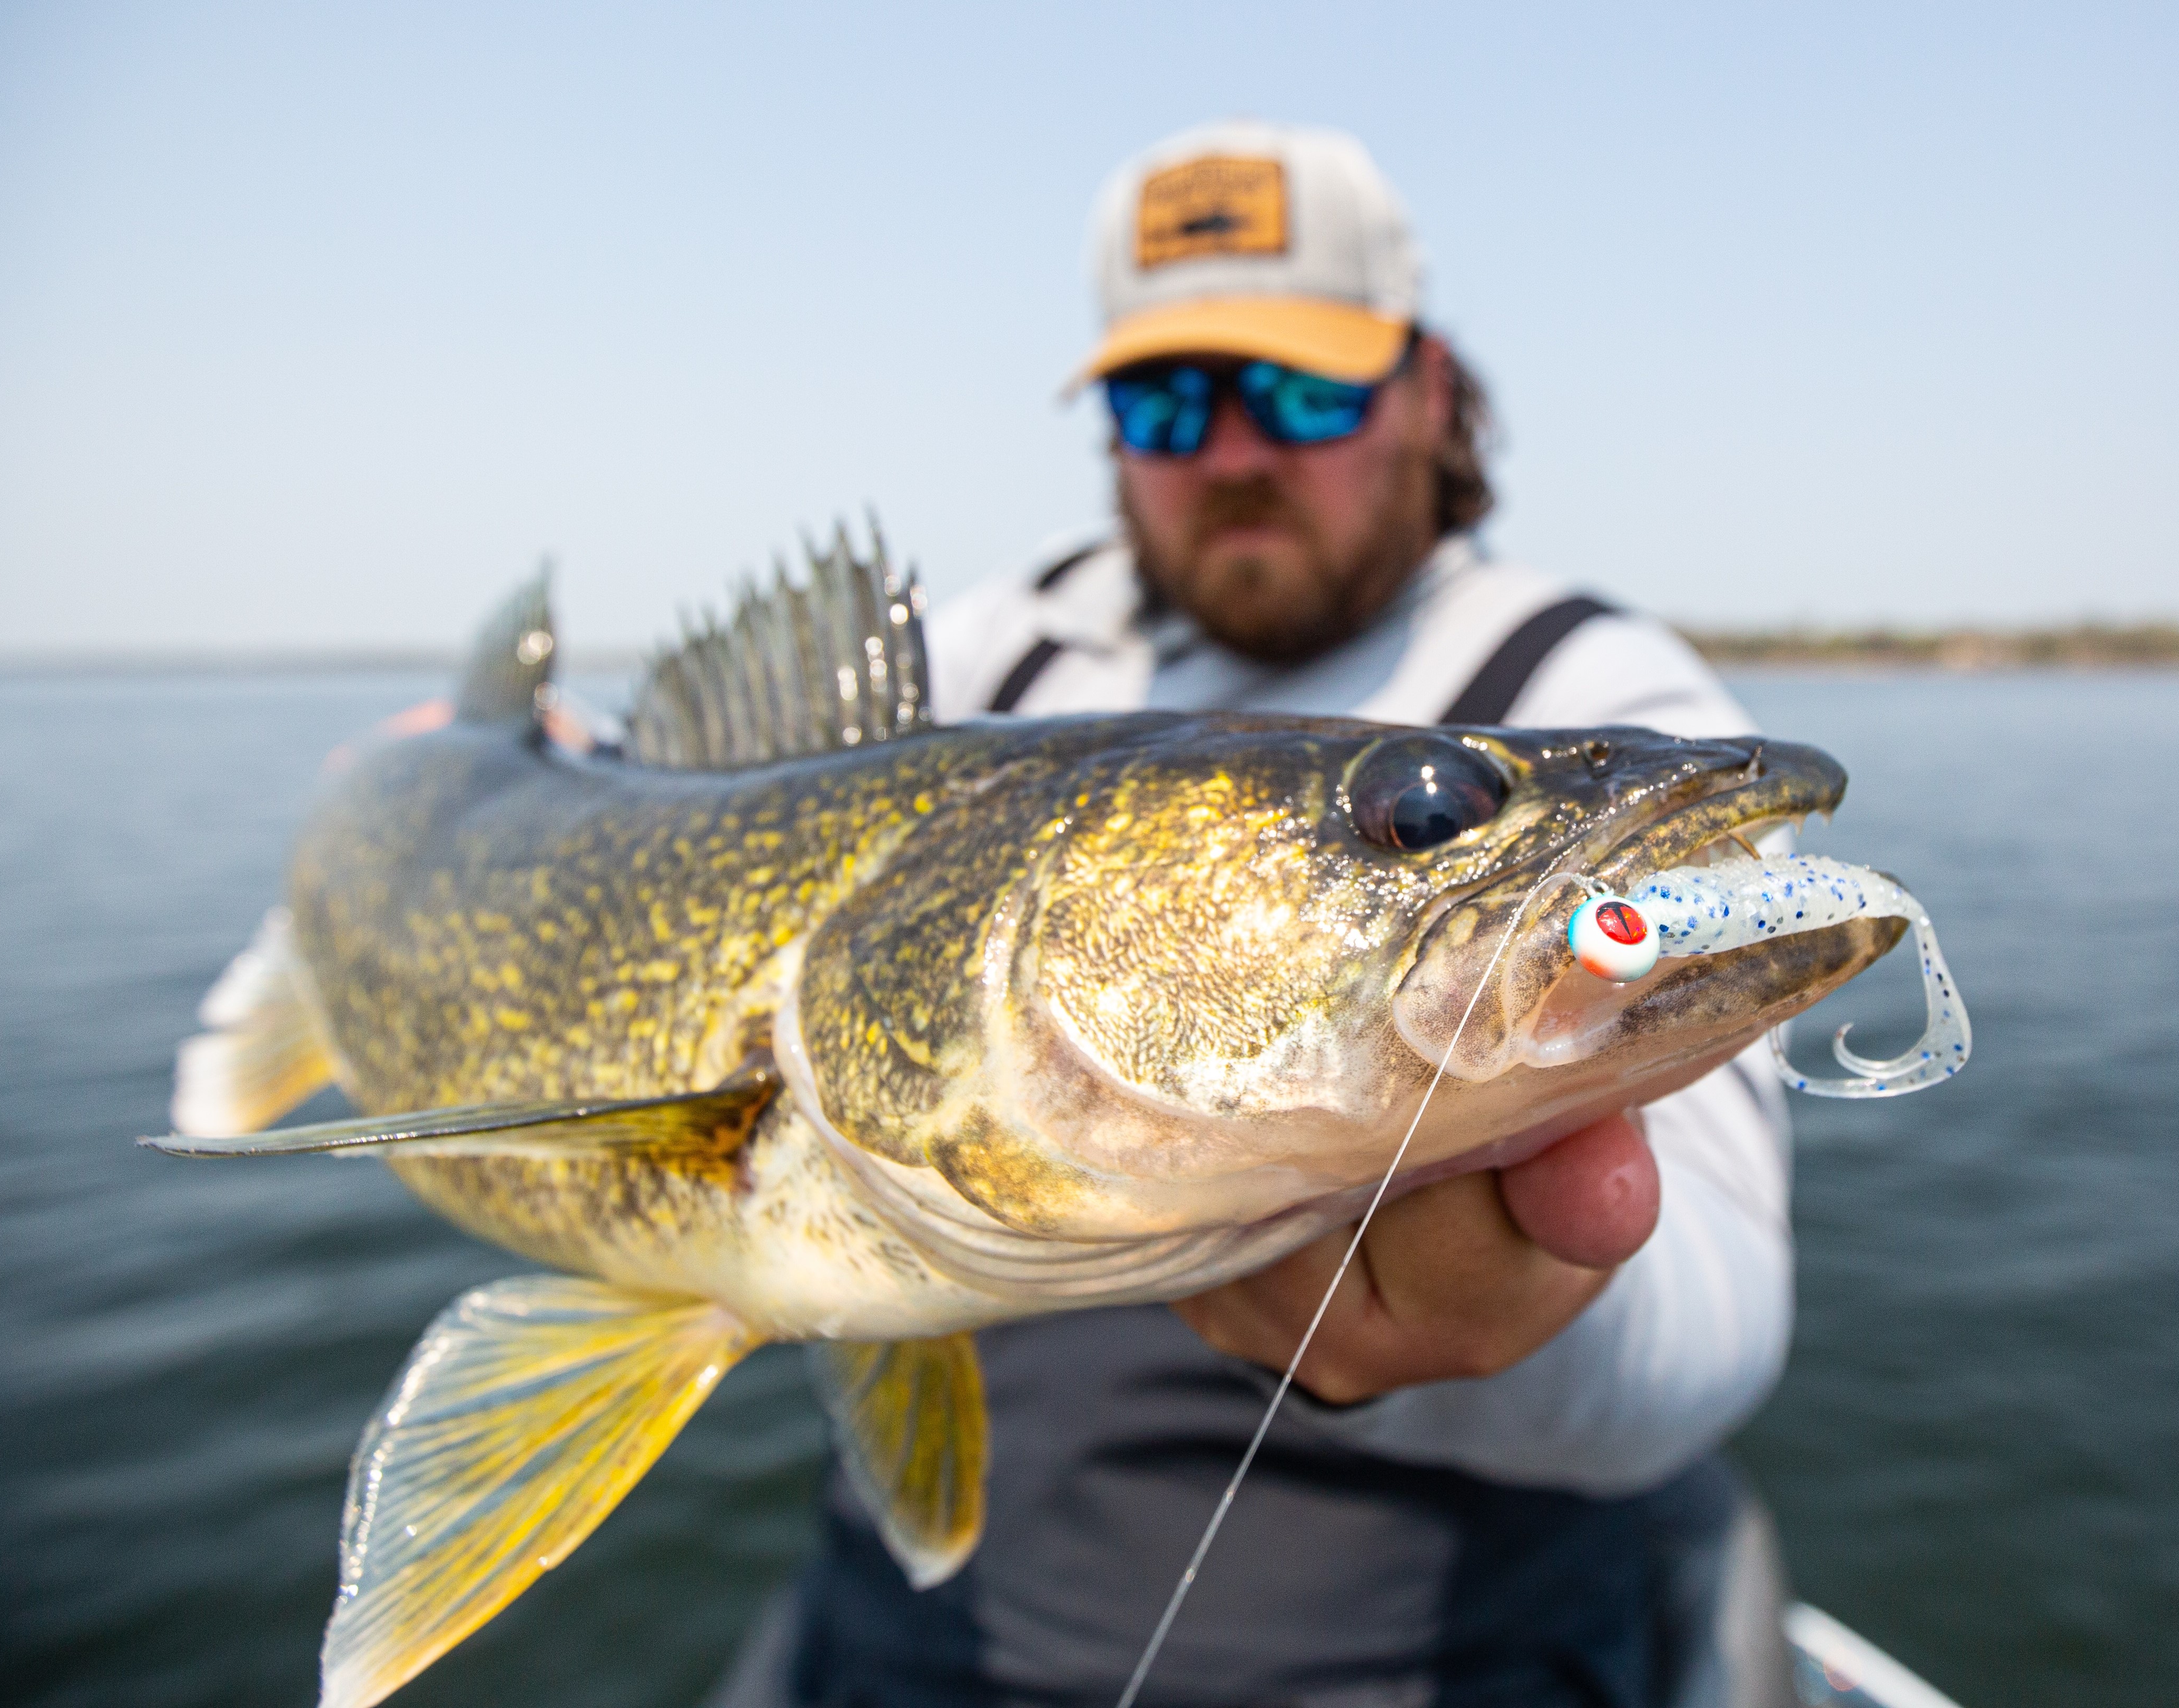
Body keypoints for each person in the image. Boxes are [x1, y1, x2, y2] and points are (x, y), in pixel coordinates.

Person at [715, 120, 1801, 1708]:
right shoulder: (988, 664)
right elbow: (667, 794)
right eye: (1165, 402)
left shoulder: (1586, 692)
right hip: (925, 1634)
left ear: (1430, 395)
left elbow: (1720, 1305)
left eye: (1301, 390)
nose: (1233, 453)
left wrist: (1531, 1314)